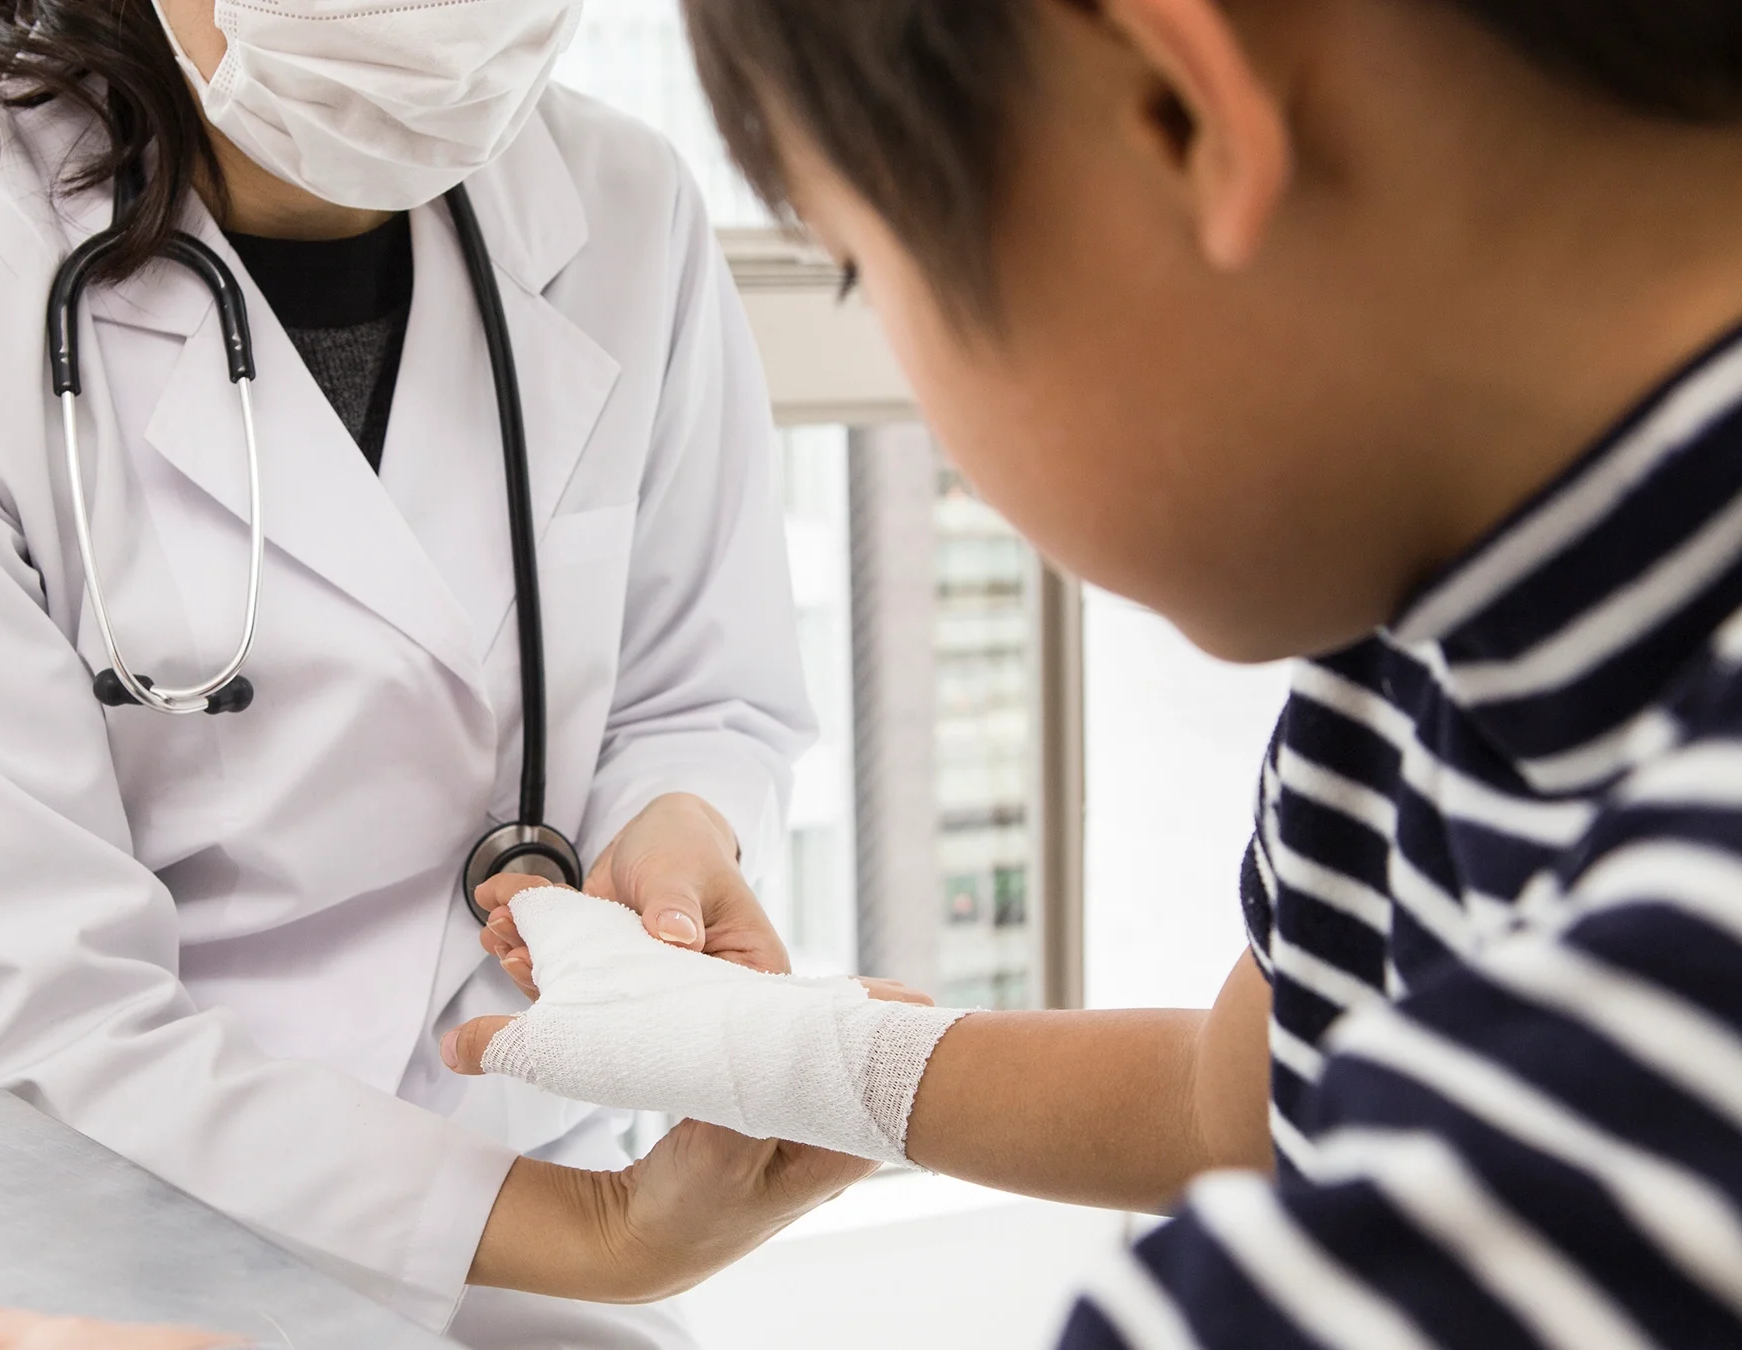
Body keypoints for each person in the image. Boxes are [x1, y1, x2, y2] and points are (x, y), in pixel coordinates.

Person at [440, 0, 1742, 1344]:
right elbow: (1230, 1103)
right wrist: (783, 1050)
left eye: (857, 269)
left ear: (1177, 113)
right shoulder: (1417, 668)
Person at [0, 0, 868, 1345]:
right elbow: (33, 1009)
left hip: (537, 1239)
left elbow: (700, 688)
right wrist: (600, 1227)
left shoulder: (626, 207)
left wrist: (670, 828)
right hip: (125, 1260)